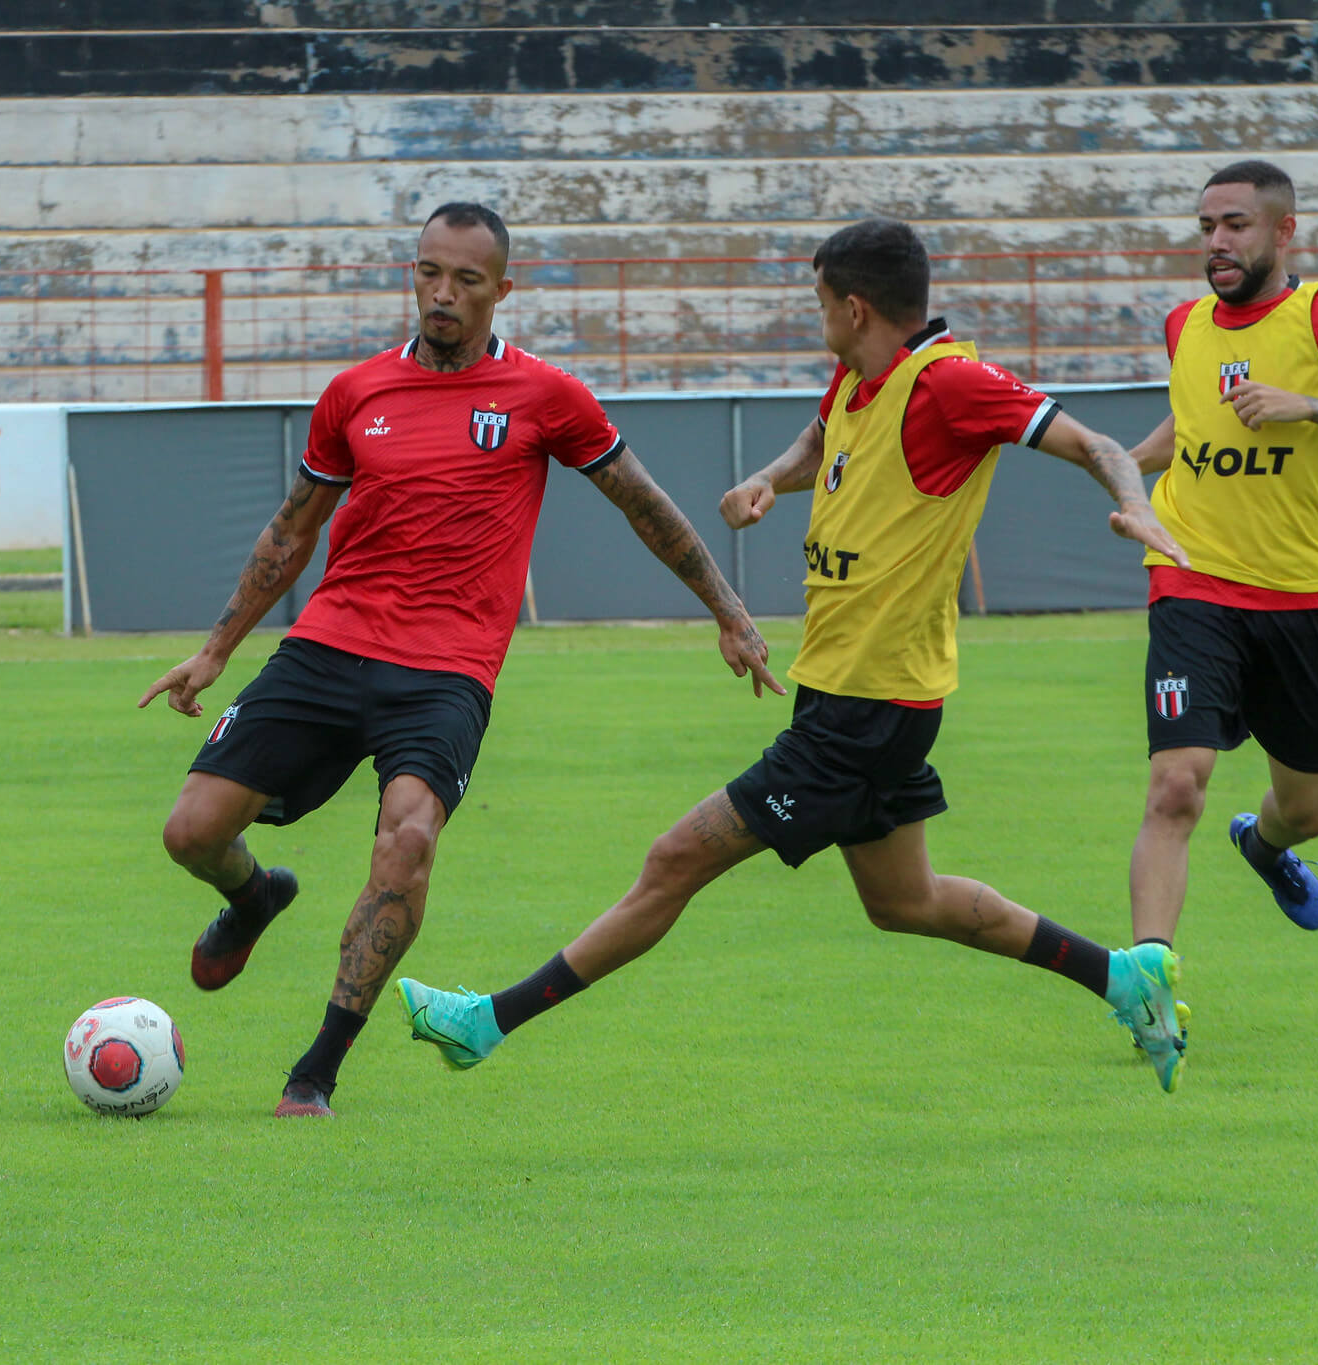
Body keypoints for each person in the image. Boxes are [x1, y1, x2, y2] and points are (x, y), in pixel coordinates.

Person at [396, 217, 1198, 1094]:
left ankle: (487, 1022)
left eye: (820, 302)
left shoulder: (950, 383)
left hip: (868, 710)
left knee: (674, 860)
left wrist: (1140, 505)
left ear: (855, 307)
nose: (816, 317)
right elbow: (820, 445)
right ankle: (1127, 978)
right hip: (850, 698)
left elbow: (1098, 443)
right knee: (906, 901)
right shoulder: (859, 377)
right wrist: (767, 483)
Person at [139, 202, 783, 1119]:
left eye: (466, 280)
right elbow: (291, 531)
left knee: (408, 837)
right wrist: (213, 652)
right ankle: (252, 899)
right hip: (327, 645)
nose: (443, 294)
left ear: (502, 290)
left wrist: (729, 612)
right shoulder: (355, 393)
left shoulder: (546, 397)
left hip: (445, 673)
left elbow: (643, 504)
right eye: (429, 273)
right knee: (190, 832)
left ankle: (314, 1073)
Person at [1125, 159, 1318, 988]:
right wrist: (1123, 468)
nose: (1216, 241)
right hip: (1191, 581)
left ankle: (1265, 842)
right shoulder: (1184, 324)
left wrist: (1311, 406)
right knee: (1176, 784)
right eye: (1206, 225)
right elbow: (1192, 422)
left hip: (1299, 596)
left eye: (1235, 224)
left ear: (1284, 232)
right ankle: (1149, 984)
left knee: (1307, 810)